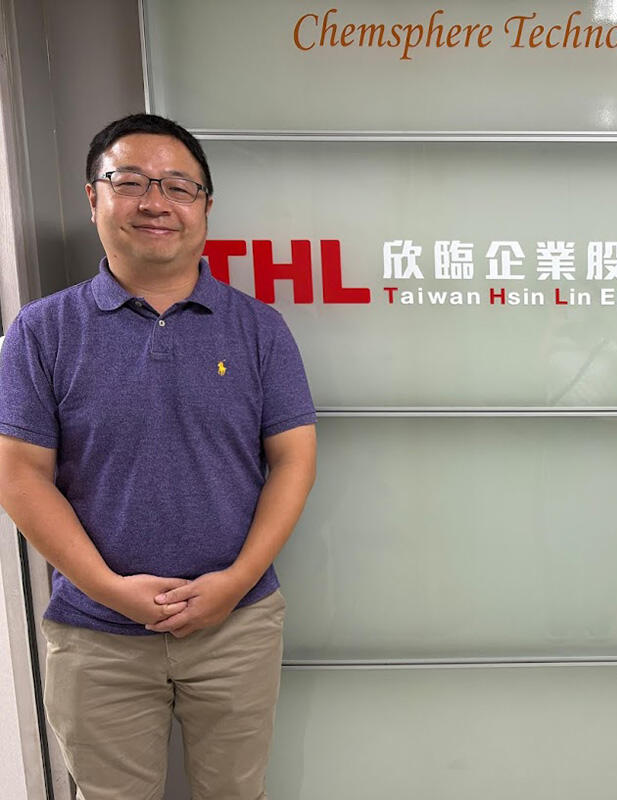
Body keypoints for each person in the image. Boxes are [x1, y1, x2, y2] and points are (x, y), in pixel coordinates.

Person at [0, 113, 318, 799]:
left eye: (178, 186)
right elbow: (21, 477)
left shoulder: (260, 329)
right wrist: (109, 589)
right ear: (93, 197)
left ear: (205, 207)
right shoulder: (42, 332)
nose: (155, 202)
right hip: (96, 632)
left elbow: (294, 460)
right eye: (131, 181)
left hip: (237, 623)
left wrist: (235, 580)